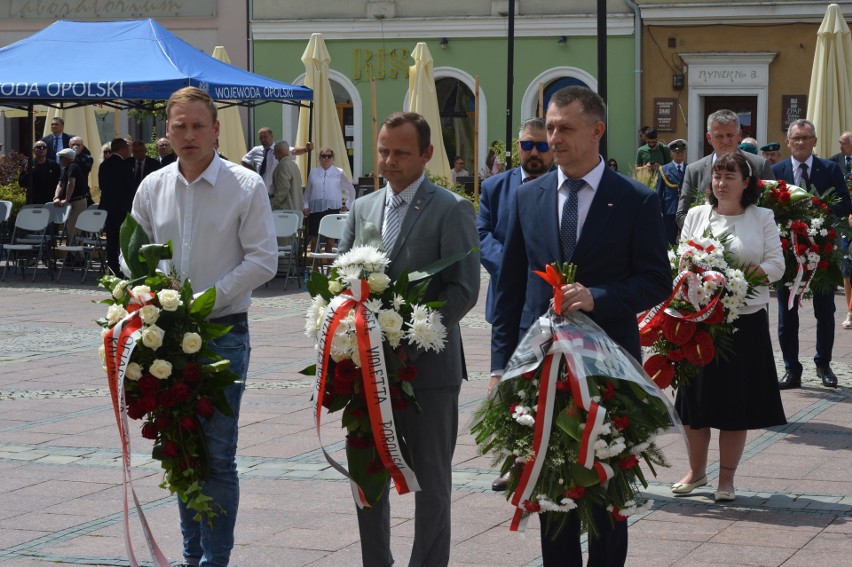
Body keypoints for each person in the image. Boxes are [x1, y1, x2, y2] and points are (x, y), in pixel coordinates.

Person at [491, 86, 671, 567]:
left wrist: (599, 297)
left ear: (597, 130)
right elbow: (509, 292)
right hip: (541, 369)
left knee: (607, 492)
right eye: (549, 128)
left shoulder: (634, 199)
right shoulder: (527, 198)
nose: (554, 138)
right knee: (553, 489)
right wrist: (499, 368)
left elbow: (657, 280)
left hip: (609, 368)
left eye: (565, 128)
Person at [126, 86, 278, 567]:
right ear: (166, 133)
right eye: (179, 126)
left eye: (197, 126)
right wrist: (147, 296)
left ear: (216, 129)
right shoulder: (153, 186)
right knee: (179, 448)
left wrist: (206, 300)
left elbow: (263, 259)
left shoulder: (245, 185)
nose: (188, 135)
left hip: (222, 334)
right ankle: (191, 557)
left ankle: (214, 560)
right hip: (164, 337)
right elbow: (132, 255)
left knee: (215, 454)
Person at [337, 111, 480, 567]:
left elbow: (463, 288)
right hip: (366, 368)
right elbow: (342, 277)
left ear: (426, 154)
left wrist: (411, 335)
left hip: (429, 372)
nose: (389, 161)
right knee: (366, 474)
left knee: (432, 481)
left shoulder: (451, 209)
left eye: (401, 152)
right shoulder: (362, 208)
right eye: (383, 151)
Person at [674, 152, 787, 504]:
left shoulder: (763, 217)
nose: (721, 183)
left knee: (734, 403)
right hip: (701, 320)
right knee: (695, 402)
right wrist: (702, 279)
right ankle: (696, 471)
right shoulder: (697, 215)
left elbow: (776, 265)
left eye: (729, 176)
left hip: (744, 321)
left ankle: (726, 480)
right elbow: (681, 257)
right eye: (717, 176)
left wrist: (735, 281)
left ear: (746, 183)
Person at [478, 116, 555, 493]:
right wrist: (512, 264)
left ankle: (548, 457)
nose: (535, 153)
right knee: (510, 388)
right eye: (528, 145)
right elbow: (481, 234)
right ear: (517, 147)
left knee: (547, 387)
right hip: (510, 300)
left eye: (542, 146)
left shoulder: (564, 188)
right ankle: (513, 462)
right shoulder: (495, 186)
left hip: (549, 300)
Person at [773, 119, 852, 390]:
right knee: (787, 313)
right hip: (788, 253)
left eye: (806, 138)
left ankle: (824, 365)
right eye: (796, 138)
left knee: (826, 311)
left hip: (824, 251)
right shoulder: (777, 170)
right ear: (788, 142)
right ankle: (791, 370)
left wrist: (820, 212)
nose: (801, 143)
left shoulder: (829, 169)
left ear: (815, 141)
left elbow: (845, 203)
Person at [676, 109, 775, 229]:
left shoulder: (760, 165)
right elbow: (682, 214)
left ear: (739, 135)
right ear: (709, 138)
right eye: (719, 136)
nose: (725, 141)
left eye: (730, 135)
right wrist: (705, 236)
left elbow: (773, 208)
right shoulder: (694, 171)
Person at [302, 147, 356, 253]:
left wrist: (348, 204)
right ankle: (315, 267)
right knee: (314, 241)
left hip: (332, 209)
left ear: (333, 158)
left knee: (330, 241)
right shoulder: (313, 172)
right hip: (315, 210)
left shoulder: (339, 172)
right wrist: (305, 205)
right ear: (320, 158)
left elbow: (350, 190)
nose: (326, 158)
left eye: (329, 156)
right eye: (323, 156)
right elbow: (307, 192)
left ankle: (329, 269)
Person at [98, 138, 135, 277]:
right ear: (122, 149)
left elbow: (102, 186)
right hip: (122, 208)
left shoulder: (104, 165)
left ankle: (112, 268)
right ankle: (123, 269)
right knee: (124, 240)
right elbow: (131, 187)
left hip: (108, 208)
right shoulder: (124, 165)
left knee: (111, 240)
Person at [241, 127, 311, 195]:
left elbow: (294, 151)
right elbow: (244, 161)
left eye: (265, 137)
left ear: (271, 136)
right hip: (259, 189)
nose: (263, 140)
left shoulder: (279, 149)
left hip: (274, 192)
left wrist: (306, 149)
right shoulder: (256, 150)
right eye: (261, 138)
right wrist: (254, 172)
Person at [830, 132, 852, 330]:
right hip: (847, 225)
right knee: (847, 268)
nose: (839, 145)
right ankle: (850, 311)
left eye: (842, 142)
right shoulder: (834, 163)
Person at [53, 147, 88, 263]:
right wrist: (56, 197)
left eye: (61, 157)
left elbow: (70, 183)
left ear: (67, 158)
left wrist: (66, 200)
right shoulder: (66, 168)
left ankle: (79, 257)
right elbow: (60, 184)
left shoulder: (73, 167)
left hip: (77, 201)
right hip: (70, 202)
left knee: (74, 230)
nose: (60, 160)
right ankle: (73, 256)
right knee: (69, 229)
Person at [655, 138, 688, 244]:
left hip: (686, 210)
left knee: (686, 239)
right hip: (669, 209)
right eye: (676, 152)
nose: (679, 154)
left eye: (682, 152)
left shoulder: (690, 169)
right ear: (671, 154)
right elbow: (658, 193)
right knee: (669, 241)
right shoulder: (664, 169)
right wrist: (659, 211)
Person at [18, 140, 60, 205]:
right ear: (33, 150)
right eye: (39, 147)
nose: (42, 149)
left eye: (44, 147)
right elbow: (22, 183)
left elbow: (59, 183)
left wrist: (58, 197)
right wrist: (27, 172)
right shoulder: (28, 164)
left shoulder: (54, 165)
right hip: (33, 201)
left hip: (50, 201)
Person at [270, 140, 303, 211]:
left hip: (286, 209)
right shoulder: (294, 165)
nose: (273, 153)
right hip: (296, 207)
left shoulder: (283, 165)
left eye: (274, 151)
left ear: (279, 152)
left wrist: (273, 204)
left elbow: (283, 189)